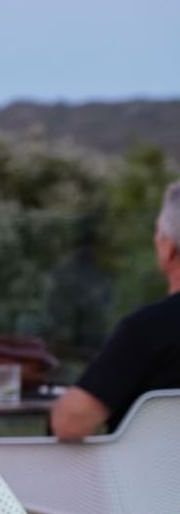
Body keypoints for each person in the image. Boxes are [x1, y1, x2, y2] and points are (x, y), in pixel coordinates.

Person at [50, 179, 180, 440]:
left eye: (158, 233)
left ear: (168, 248)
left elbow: (71, 423)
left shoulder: (148, 330)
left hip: (147, 480)